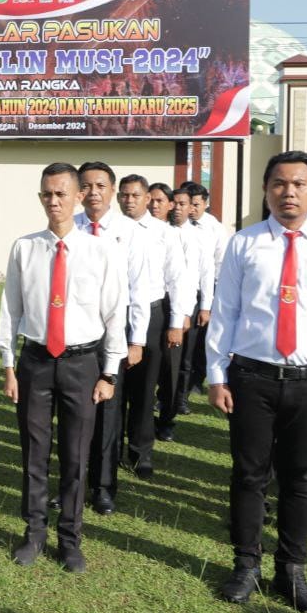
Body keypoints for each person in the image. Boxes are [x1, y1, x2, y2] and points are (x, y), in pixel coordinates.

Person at [209, 151, 307, 613]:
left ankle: (291, 570)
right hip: (253, 377)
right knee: (249, 475)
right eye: (278, 183)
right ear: (266, 190)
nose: (287, 192)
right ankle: (246, 565)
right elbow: (225, 312)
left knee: (301, 479)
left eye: (298, 184)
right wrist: (217, 374)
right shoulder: (244, 244)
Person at [0, 162, 126, 574]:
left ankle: (70, 539)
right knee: (34, 453)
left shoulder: (101, 250)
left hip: (82, 363)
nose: (54, 201)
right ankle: (34, 533)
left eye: (62, 194)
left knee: (75, 457)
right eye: (47, 194)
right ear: (40, 198)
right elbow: (10, 310)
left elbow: (113, 314)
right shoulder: (25, 247)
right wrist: (8, 364)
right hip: (35, 361)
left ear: (78, 198)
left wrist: (109, 373)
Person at [74, 162, 148, 515]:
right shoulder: (69, 228)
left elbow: (140, 289)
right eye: (86, 186)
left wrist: (137, 341)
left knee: (108, 411)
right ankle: (73, 483)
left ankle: (103, 486)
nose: (93, 192)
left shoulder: (130, 232)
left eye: (100, 185)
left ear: (112, 190)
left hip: (114, 335)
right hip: (75, 334)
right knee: (76, 411)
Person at [117, 174, 192, 476]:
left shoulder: (164, 233)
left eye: (136, 195)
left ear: (148, 198)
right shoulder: (110, 229)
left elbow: (178, 279)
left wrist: (175, 323)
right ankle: (109, 448)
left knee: (145, 389)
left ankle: (140, 451)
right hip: (115, 315)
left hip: (152, 314)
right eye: (124, 195)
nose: (129, 200)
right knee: (113, 385)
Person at [170, 186, 214, 429]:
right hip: (167, 300)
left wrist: (206, 306)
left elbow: (207, 273)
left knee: (187, 356)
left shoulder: (200, 236)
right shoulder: (163, 231)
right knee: (170, 355)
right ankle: (165, 396)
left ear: (190, 208)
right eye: (174, 203)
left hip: (193, 301)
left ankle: (182, 398)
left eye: (183, 204)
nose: (178, 208)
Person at [184, 182, 227, 393]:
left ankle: (196, 380)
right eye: (188, 204)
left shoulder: (215, 228)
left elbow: (219, 264)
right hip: (182, 288)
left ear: (205, 204)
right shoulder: (175, 223)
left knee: (201, 339)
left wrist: (209, 302)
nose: (191, 209)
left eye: (196, 204)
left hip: (207, 289)